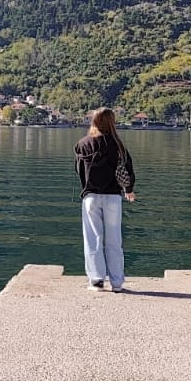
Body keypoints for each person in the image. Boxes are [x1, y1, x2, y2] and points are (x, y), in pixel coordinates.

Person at [74, 107, 136, 293]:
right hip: (113, 198)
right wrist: (129, 189)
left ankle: (96, 281)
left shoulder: (82, 144)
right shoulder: (118, 145)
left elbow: (79, 170)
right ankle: (117, 283)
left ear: (93, 121)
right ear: (112, 122)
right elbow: (127, 170)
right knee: (114, 240)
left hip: (91, 197)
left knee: (93, 239)